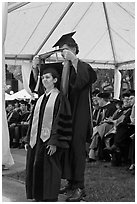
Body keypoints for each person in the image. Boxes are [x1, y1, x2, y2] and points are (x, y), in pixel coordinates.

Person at [29, 32, 97, 202]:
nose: (63, 53)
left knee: (76, 151)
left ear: (74, 49)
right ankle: (71, 183)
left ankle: (79, 187)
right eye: (61, 51)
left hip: (78, 116)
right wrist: (35, 68)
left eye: (65, 49)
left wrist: (74, 60)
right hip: (64, 115)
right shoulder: (63, 69)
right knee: (65, 150)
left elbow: (81, 82)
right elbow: (46, 86)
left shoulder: (84, 67)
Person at [25, 62, 72, 201]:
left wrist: (54, 142)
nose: (44, 80)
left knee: (50, 170)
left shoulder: (59, 98)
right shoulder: (41, 98)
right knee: (36, 166)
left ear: (55, 80)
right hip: (37, 141)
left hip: (49, 142)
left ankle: (49, 197)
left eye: (48, 77)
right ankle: (37, 195)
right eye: (43, 77)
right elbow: (33, 122)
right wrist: (29, 139)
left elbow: (60, 122)